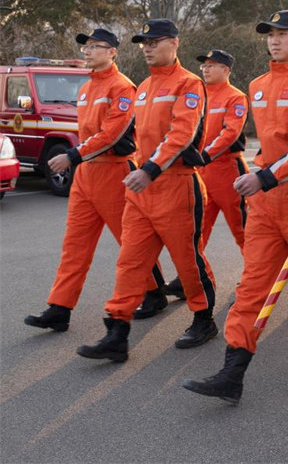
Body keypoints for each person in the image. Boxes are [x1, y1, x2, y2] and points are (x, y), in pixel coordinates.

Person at [181, 10, 288, 405]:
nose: (275, 40)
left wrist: (265, 176)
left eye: (283, 34)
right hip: (265, 204)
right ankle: (232, 372)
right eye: (270, 34)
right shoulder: (257, 85)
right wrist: (259, 178)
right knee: (251, 287)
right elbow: (266, 143)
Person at [77, 19, 217, 363]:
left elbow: (182, 132)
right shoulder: (142, 87)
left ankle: (203, 318)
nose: (147, 47)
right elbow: (139, 136)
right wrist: (142, 169)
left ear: (174, 43)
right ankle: (117, 332)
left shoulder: (190, 84)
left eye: (154, 41)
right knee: (130, 262)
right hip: (142, 188)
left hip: (176, 184)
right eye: (144, 43)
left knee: (187, 261)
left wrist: (152, 168)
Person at [24, 28, 165, 332]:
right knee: (74, 246)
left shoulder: (123, 88)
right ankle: (59, 308)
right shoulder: (87, 87)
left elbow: (111, 134)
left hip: (114, 173)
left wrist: (73, 156)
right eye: (85, 47)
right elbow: (89, 132)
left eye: (95, 47)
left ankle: (154, 293)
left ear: (112, 51)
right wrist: (80, 159)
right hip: (87, 174)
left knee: (131, 242)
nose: (87, 51)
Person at [162, 49, 249, 300]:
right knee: (196, 229)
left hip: (227, 170)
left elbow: (230, 132)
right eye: (204, 66)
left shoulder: (236, 97)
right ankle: (192, 277)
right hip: (201, 171)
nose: (206, 69)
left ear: (227, 70)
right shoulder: (198, 94)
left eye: (213, 65)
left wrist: (206, 155)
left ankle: (256, 277)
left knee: (242, 229)